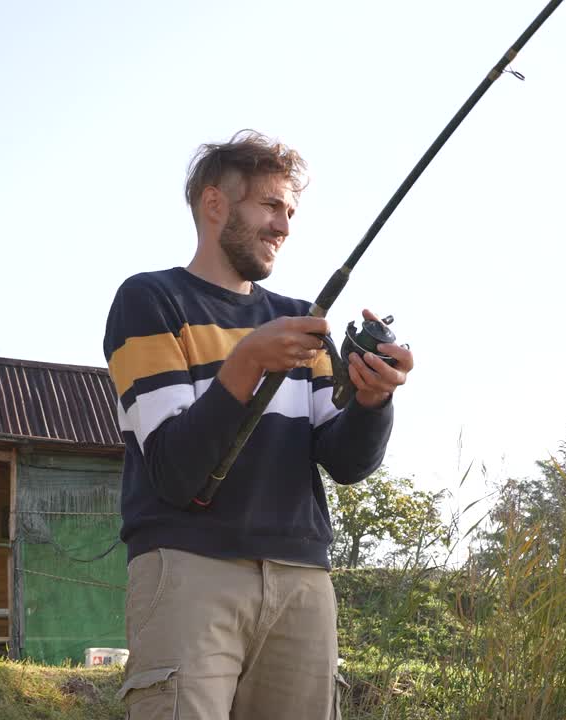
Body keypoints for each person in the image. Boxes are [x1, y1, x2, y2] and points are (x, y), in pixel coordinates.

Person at [103, 129, 414, 719]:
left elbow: (346, 462)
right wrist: (247, 361)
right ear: (214, 203)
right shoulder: (150, 301)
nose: (285, 226)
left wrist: (374, 400)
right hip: (188, 566)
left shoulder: (300, 320)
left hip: (302, 579)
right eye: (270, 205)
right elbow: (173, 469)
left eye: (291, 211)